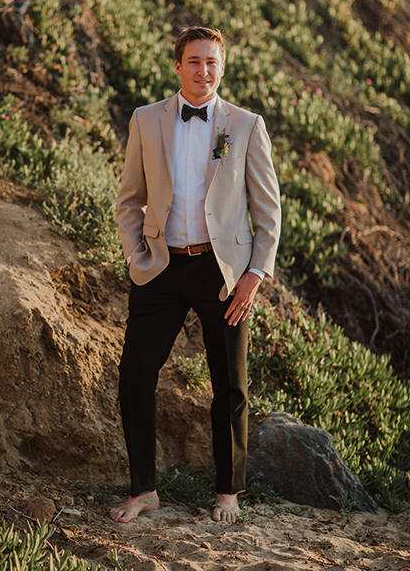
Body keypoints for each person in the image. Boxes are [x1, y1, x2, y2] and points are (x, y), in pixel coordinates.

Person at [111, 26, 281, 524]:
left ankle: (227, 492)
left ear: (222, 66)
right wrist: (136, 256)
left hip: (223, 272)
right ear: (178, 66)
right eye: (194, 61)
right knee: (135, 372)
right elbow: (129, 200)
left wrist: (254, 274)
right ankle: (143, 489)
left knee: (229, 383)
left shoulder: (246, 125)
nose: (203, 70)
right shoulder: (146, 120)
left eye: (212, 61)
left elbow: (268, 212)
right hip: (160, 268)